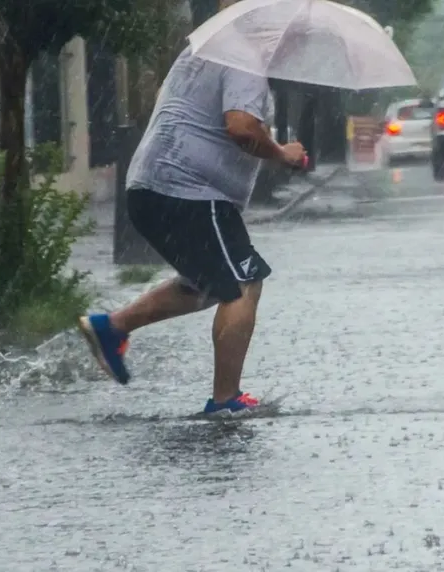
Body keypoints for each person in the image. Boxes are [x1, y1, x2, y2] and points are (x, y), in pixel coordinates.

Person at [78, 46, 307, 414]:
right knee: (243, 281)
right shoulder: (244, 58)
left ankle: (113, 327)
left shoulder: (203, 52)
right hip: (189, 190)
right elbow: (240, 127)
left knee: (208, 282)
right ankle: (226, 400)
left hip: (157, 187)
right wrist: (282, 153)